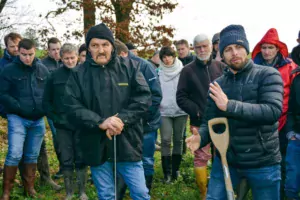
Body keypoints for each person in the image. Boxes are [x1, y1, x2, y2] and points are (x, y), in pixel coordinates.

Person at [186, 24, 284, 200]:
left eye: (239, 47)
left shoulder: (268, 75)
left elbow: (272, 111)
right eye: (229, 49)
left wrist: (229, 106)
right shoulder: (218, 85)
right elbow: (211, 121)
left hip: (263, 162)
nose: (235, 53)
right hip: (227, 159)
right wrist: (200, 137)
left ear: (246, 49)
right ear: (221, 54)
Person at [63, 23, 151, 200]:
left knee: (141, 192)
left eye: (105, 44)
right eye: (95, 45)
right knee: (106, 194)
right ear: (88, 48)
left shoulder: (130, 68)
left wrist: (120, 120)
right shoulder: (78, 74)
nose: (101, 50)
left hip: (127, 141)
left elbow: (144, 98)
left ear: (112, 46)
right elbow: (71, 106)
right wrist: (100, 122)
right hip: (95, 142)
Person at [176, 33, 225, 198]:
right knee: (201, 157)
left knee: (222, 155)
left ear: (211, 47)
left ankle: (224, 189)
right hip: (199, 121)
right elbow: (181, 97)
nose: (202, 49)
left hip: (221, 121)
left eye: (205, 46)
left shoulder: (221, 67)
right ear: (193, 48)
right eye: (198, 47)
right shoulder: (187, 71)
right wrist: (197, 111)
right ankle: (204, 193)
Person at [251, 28, 298, 200]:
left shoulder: (289, 67)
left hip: (284, 120)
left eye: (270, 48)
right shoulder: (254, 67)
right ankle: (263, 190)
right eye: (263, 48)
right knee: (263, 158)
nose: (266, 51)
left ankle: (283, 191)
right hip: (260, 119)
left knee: (284, 158)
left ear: (277, 49)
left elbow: (294, 94)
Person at [0, 39, 49, 199]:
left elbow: (49, 93)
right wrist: (18, 107)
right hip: (17, 117)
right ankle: (7, 191)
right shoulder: (8, 70)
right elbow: (3, 93)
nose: (27, 58)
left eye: (30, 54)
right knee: (14, 153)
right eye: (23, 54)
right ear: (18, 52)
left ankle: (30, 188)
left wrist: (44, 108)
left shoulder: (42, 70)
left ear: (35, 52)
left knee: (32, 155)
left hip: (37, 119)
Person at [114, 39, 162, 196]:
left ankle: (145, 190)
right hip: (126, 125)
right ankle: (120, 192)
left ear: (123, 53)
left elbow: (156, 96)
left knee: (146, 159)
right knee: (124, 159)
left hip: (146, 123)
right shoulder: (115, 68)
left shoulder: (145, 67)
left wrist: (140, 117)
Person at [43, 43, 87, 200]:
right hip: (62, 125)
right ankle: (69, 192)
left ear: (77, 57)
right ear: (61, 58)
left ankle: (82, 191)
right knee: (66, 157)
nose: (70, 61)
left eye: (73, 58)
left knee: (81, 157)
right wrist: (55, 118)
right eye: (66, 58)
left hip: (81, 124)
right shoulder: (53, 76)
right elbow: (46, 101)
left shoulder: (85, 74)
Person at [158, 46, 188, 183]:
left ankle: (176, 170)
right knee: (165, 140)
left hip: (180, 110)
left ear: (174, 56)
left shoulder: (183, 70)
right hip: (164, 111)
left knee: (178, 140)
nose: (167, 59)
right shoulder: (158, 72)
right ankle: (167, 173)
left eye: (169, 56)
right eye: (164, 57)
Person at [0, 32, 22, 175]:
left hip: (30, 111)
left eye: (17, 45)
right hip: (11, 111)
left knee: (38, 148)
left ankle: (42, 177)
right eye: (12, 46)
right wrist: (4, 111)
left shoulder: (29, 60)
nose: (15, 49)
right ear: (6, 46)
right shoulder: (2, 65)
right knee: (15, 147)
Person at [41, 37, 63, 179]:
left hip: (68, 108)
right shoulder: (42, 65)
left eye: (58, 49)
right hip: (53, 110)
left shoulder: (66, 61)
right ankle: (63, 166)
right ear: (48, 50)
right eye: (53, 49)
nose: (56, 52)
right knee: (58, 137)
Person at [285, 66, 300, 200]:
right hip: (297, 137)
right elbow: (291, 108)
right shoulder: (297, 80)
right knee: (291, 182)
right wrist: (290, 132)